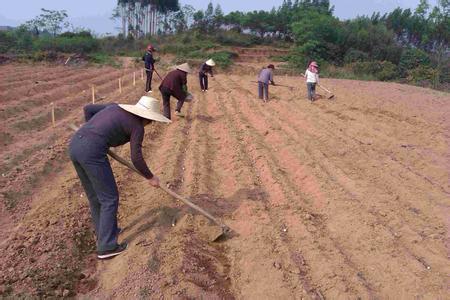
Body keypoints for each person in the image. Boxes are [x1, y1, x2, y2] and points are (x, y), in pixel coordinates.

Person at [69, 96, 171, 259]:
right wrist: (150, 177)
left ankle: (103, 233)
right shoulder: (137, 126)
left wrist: (90, 130)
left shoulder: (115, 107)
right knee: (110, 198)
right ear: (147, 118)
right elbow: (136, 157)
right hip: (91, 152)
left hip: (75, 146)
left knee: (96, 198)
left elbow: (88, 109)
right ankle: (107, 247)